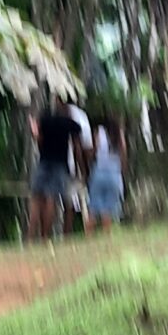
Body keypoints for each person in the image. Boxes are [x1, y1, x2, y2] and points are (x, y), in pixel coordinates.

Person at [28, 94, 80, 239]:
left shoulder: (45, 120)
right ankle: (45, 236)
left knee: (36, 199)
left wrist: (35, 132)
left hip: (44, 163)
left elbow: (39, 140)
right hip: (60, 165)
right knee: (51, 199)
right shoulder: (69, 123)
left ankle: (30, 236)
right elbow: (77, 142)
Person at [88, 116, 126, 228]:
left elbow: (93, 151)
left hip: (99, 172)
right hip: (114, 173)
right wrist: (122, 169)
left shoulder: (99, 132)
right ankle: (106, 234)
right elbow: (123, 150)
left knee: (93, 209)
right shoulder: (118, 133)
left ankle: (89, 234)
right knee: (107, 210)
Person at [65, 99, 93, 235]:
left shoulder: (63, 112)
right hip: (73, 164)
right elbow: (86, 147)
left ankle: (67, 234)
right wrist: (85, 169)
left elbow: (79, 145)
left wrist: (81, 168)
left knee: (70, 204)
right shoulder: (81, 116)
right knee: (79, 202)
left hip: (67, 163)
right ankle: (87, 232)